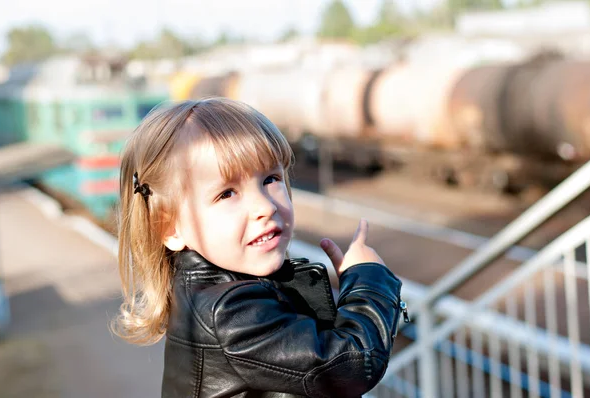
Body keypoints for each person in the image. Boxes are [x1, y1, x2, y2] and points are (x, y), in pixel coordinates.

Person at [112, 98, 404, 398]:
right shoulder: (229, 313)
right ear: (169, 228)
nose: (264, 206)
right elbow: (348, 368)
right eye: (227, 193)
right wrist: (369, 280)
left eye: (270, 179)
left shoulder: (222, 292)